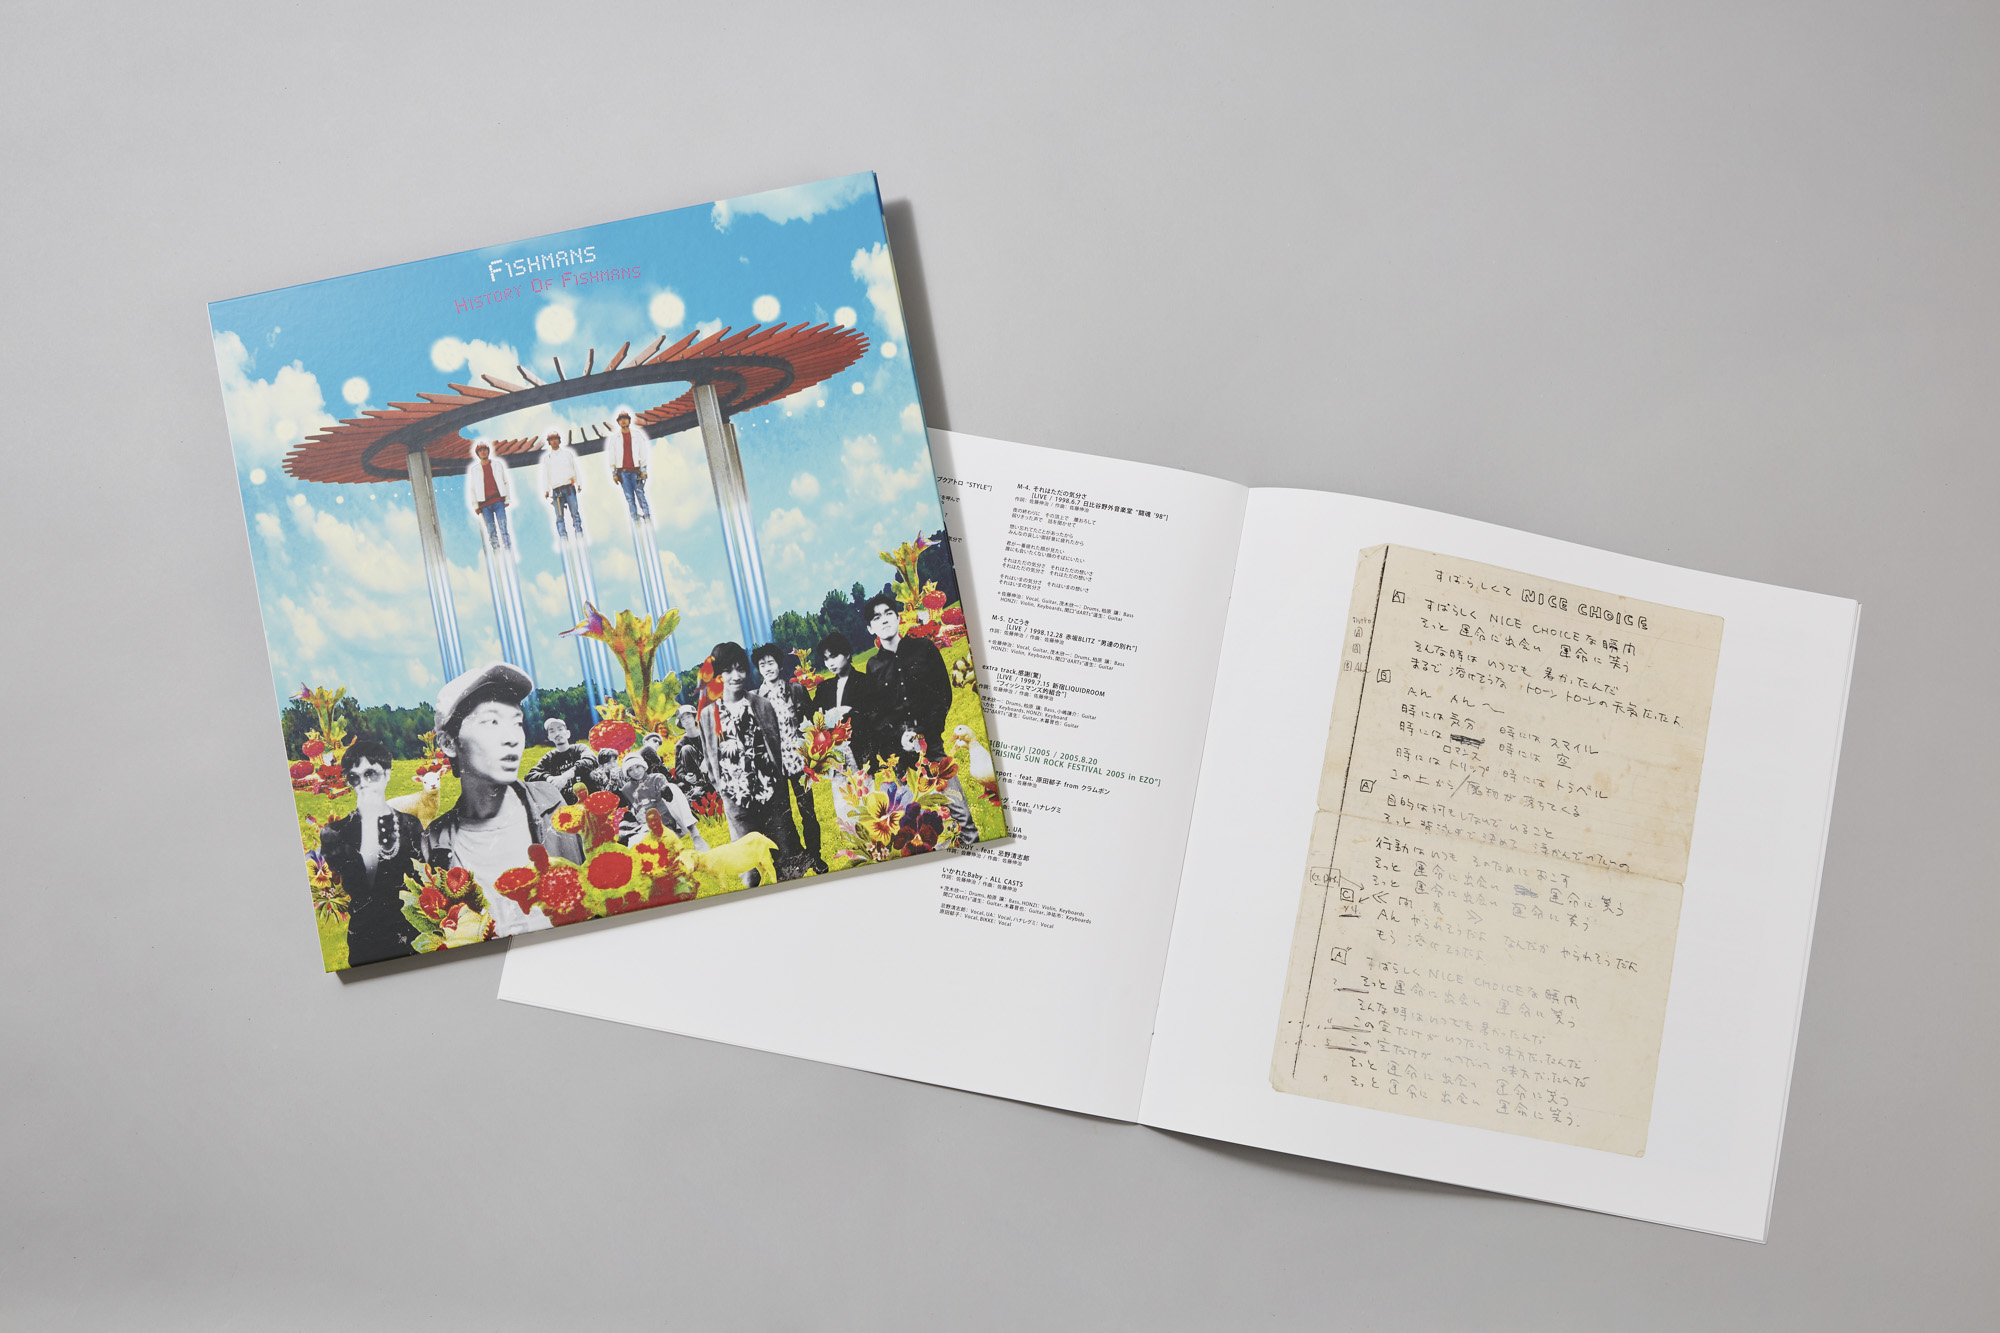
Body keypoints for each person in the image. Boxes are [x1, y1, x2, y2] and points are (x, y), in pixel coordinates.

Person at [420, 662, 585, 936]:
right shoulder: (433, 845)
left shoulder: (552, 804)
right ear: (448, 743)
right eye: (491, 722)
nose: (512, 738)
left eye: (517, 722)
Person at [863, 595, 979, 844]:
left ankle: (971, 841)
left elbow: (942, 694)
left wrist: (924, 730)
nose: (884, 620)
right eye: (876, 618)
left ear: (898, 618)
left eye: (888, 613)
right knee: (916, 819)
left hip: (931, 744)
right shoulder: (873, 667)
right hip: (899, 755)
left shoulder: (924, 648)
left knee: (955, 803)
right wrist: (899, 736)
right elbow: (874, 713)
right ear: (870, 628)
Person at [695, 641, 807, 883]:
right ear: (718, 675)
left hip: (771, 794)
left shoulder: (761, 705)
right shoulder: (707, 715)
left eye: (740, 669)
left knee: (785, 857)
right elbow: (710, 755)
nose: (735, 676)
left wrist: (778, 784)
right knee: (749, 866)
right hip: (736, 800)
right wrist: (723, 789)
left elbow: (775, 747)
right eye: (727, 671)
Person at [318, 736, 423, 966]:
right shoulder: (335, 833)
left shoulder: (410, 825)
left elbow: (423, 884)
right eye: (354, 778)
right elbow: (361, 887)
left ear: (387, 774)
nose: (363, 784)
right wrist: (368, 821)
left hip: (412, 934)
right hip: (367, 937)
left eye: (370, 774)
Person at [753, 642, 828, 874]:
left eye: (771, 663)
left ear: (779, 665)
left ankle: (815, 855)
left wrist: (814, 753)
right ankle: (799, 857)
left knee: (808, 812)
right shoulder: (756, 699)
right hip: (774, 768)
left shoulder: (795, 690)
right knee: (784, 817)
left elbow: (813, 723)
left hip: (799, 763)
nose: (767, 668)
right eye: (762, 665)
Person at [464, 442, 514, 551]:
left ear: (488, 451)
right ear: (477, 454)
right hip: (484, 504)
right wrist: (476, 506)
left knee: (503, 528)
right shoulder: (475, 470)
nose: (483, 452)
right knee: (491, 531)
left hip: (498, 501)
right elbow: (472, 488)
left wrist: (507, 499)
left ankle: (508, 550)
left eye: (485, 449)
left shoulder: (497, 465)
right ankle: (497, 552)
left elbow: (505, 482)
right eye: (480, 450)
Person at [606, 409, 651, 522]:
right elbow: (612, 456)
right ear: (618, 422)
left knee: (640, 495)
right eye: (621, 419)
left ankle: (647, 517)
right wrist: (614, 473)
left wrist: (643, 469)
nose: (623, 421)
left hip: (636, 471)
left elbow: (643, 452)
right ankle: (635, 520)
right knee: (629, 498)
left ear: (629, 421)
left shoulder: (637, 435)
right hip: (623, 473)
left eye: (625, 419)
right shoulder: (615, 439)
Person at [539, 431, 585, 540]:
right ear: (549, 442)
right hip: (557, 490)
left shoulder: (567, 455)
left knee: (575, 513)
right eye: (551, 440)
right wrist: (546, 490)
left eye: (556, 439)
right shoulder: (547, 459)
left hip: (569, 488)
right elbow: (545, 475)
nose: (554, 441)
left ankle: (579, 534)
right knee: (559, 516)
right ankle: (563, 537)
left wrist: (579, 483)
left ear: (559, 440)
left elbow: (575, 468)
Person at [525, 716, 590, 788]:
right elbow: (530, 775)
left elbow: (590, 760)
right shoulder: (549, 758)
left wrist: (567, 775)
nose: (557, 734)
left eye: (560, 729)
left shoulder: (580, 748)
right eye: (552, 731)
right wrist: (549, 778)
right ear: (549, 737)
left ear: (568, 733)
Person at [671, 703, 713, 806]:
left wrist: (707, 760)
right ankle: (700, 786)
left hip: (713, 770)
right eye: (683, 719)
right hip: (698, 778)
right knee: (686, 749)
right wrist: (686, 778)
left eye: (689, 716)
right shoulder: (680, 744)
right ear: (681, 723)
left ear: (694, 718)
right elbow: (678, 771)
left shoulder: (706, 735)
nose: (687, 720)